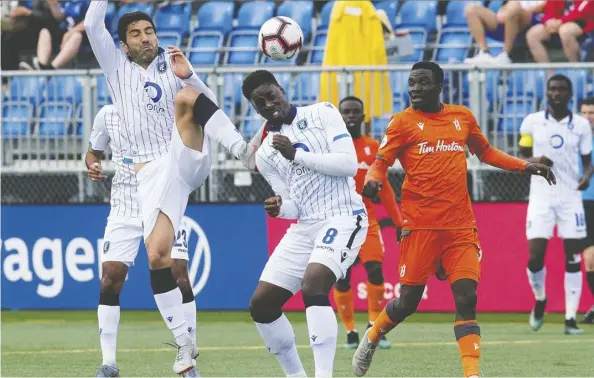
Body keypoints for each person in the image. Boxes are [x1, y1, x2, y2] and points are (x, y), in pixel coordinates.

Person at [350, 61, 555, 378]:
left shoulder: (461, 117)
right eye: (412, 83)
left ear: (439, 86)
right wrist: (375, 179)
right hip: (419, 226)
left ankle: (472, 374)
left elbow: (486, 153)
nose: (415, 88)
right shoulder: (402, 122)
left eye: (422, 83)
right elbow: (381, 161)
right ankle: (373, 336)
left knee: (466, 297)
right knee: (406, 303)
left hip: (460, 226)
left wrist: (525, 165)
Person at [84, 1, 250, 374]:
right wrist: (92, 162)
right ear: (123, 45)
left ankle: (243, 150)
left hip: (179, 160)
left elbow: (205, 102)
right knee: (148, 262)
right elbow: (92, 22)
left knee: (186, 97)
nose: (146, 38)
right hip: (137, 188)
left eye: (150, 31)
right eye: (136, 34)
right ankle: (176, 352)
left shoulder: (173, 65)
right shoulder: (115, 73)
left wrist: (189, 75)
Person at [86, 105, 197, 377]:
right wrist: (93, 165)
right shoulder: (107, 114)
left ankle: (189, 358)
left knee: (178, 273)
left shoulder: (162, 108)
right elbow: (92, 153)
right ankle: (108, 363)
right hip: (124, 205)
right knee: (110, 277)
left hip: (162, 198)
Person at [518, 75, 593, 335]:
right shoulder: (531, 122)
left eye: (561, 89)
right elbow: (522, 156)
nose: (556, 93)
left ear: (570, 94)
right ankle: (540, 300)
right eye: (552, 89)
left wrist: (586, 177)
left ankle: (570, 319)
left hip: (570, 198)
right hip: (540, 196)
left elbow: (587, 161)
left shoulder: (581, 125)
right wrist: (537, 158)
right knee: (535, 256)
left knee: (573, 257)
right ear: (547, 93)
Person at [334, 96, 403, 350]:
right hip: (341, 221)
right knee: (342, 276)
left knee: (375, 270)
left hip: (368, 220)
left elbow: (385, 190)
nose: (351, 116)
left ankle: (374, 327)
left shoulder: (373, 147)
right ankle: (350, 331)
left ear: (363, 117)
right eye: (346, 112)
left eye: (355, 112)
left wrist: (398, 221)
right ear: (340, 117)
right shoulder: (333, 148)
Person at [464, 0, 546, 64]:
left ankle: (505, 54)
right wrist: (504, 12)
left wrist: (510, 11)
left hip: (533, 21)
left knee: (514, 7)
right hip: (509, 18)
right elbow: (505, 8)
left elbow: (544, 7)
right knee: (471, 9)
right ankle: (484, 52)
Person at [20, 0, 91, 70]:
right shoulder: (66, 2)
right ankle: (41, 65)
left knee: (76, 36)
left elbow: (90, 21)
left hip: (83, 37)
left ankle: (52, 68)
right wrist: (52, 4)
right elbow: (60, 16)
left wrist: (70, 33)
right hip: (63, 33)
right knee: (45, 32)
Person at [526, 0, 594, 63]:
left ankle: (576, 67)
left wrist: (561, 21)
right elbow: (549, 9)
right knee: (533, 35)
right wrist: (548, 22)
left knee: (565, 31)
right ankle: (548, 72)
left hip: (584, 20)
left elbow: (582, 11)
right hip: (559, 22)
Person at [578, 97, 594, 324]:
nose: (589, 117)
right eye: (585, 112)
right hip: (584, 203)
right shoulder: (575, 138)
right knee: (589, 259)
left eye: (592, 112)